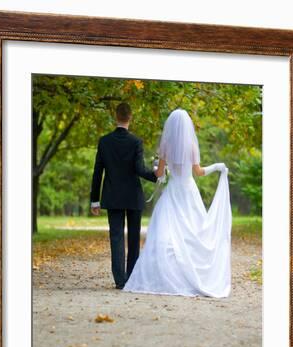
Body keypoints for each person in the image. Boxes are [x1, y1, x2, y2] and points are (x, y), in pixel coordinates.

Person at [123, 107, 232, 298]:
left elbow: (158, 174)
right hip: (188, 191)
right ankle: (190, 272)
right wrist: (217, 167)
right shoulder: (191, 146)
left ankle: (167, 275)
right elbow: (198, 172)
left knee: (166, 233)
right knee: (193, 231)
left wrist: (159, 169)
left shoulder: (166, 146)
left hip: (172, 191)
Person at [90, 102, 158, 289]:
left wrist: (94, 199)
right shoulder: (136, 142)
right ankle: (132, 278)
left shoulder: (104, 141)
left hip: (112, 196)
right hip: (133, 196)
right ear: (131, 117)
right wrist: (156, 175)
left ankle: (120, 281)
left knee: (117, 237)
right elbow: (138, 169)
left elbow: (98, 172)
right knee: (134, 238)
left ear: (115, 116)